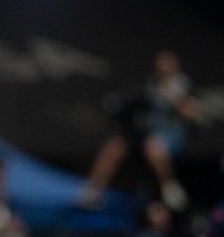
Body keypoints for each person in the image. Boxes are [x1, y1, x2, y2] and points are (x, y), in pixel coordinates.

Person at [81, 51, 200, 211]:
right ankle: (93, 191)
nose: (163, 70)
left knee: (154, 147)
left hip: (171, 135)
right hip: (146, 135)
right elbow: (132, 107)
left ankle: (170, 187)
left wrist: (173, 98)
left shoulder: (183, 85)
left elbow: (192, 112)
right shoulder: (149, 84)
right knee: (114, 146)